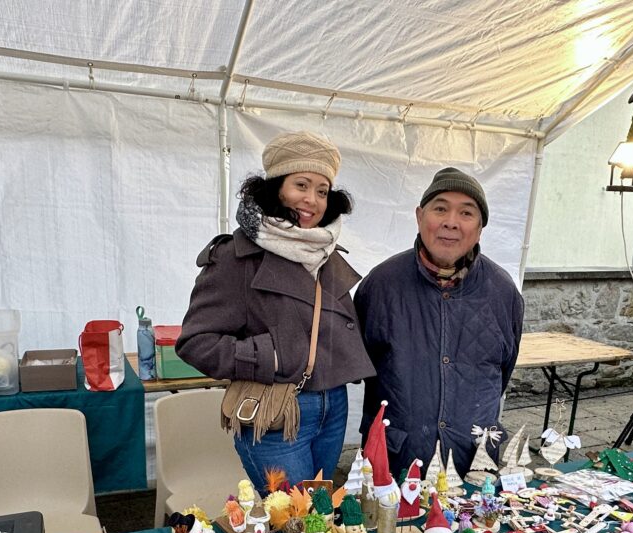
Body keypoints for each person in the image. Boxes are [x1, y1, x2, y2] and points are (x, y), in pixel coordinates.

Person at [177, 131, 375, 489]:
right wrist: (269, 356)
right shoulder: (236, 257)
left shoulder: (324, 251)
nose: (312, 200)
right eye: (301, 184)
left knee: (317, 516)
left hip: (334, 407)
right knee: (294, 526)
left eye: (322, 190)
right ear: (275, 187)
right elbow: (195, 342)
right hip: (277, 411)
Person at [354, 167, 524, 478]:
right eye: (440, 208)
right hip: (396, 462)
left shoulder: (503, 291)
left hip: (473, 463)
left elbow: (503, 371)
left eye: (466, 212)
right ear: (420, 216)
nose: (451, 222)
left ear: (481, 227)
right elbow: (362, 365)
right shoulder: (380, 286)